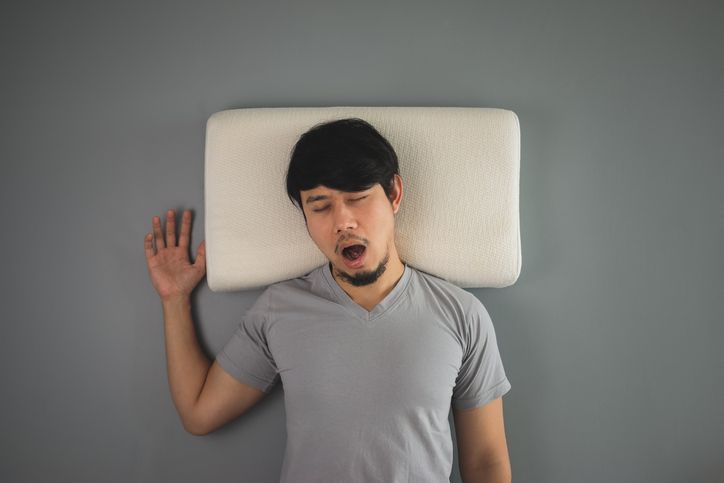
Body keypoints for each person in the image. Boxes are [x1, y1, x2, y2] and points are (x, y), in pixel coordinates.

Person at [144, 118, 512, 483]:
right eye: (320, 207)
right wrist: (174, 299)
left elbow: (486, 461)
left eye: (358, 198)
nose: (343, 222)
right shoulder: (278, 309)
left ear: (394, 194)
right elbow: (199, 414)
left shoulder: (461, 314)